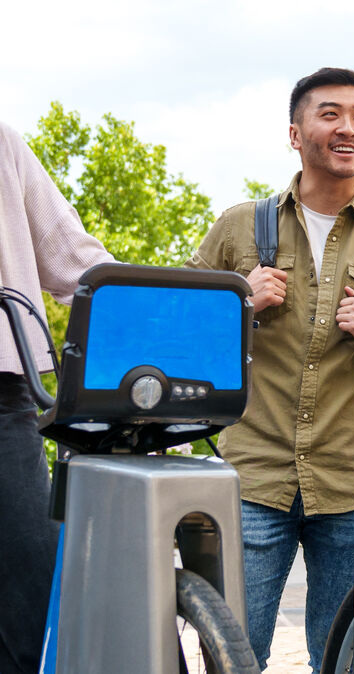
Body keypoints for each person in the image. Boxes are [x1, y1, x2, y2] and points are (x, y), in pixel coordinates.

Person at [186, 67, 354, 672]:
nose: (348, 128)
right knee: (230, 655)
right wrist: (236, 301)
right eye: (330, 113)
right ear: (295, 132)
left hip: (352, 482)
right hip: (253, 478)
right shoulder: (238, 227)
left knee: (345, 661)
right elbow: (179, 334)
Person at [0, 121, 115, 672]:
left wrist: (160, 319)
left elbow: (77, 261)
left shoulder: (1, 141)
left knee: (29, 592)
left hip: (2, 392)